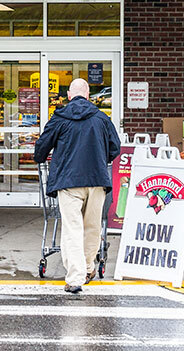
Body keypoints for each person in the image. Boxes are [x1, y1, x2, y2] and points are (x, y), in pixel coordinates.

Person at [33, 77, 121, 294]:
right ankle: (89, 268)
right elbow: (115, 147)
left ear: (69, 95)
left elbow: (42, 147)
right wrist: (100, 158)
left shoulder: (60, 117)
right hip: (97, 180)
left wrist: (40, 157)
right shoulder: (101, 118)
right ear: (88, 95)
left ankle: (75, 278)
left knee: (72, 228)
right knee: (92, 226)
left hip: (69, 181)